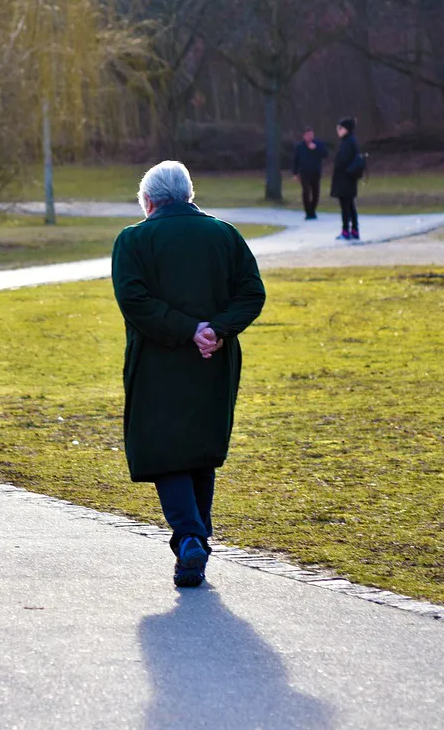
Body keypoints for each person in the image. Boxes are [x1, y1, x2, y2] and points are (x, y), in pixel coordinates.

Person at [111, 161, 267, 588]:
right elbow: (252, 293)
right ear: (189, 195)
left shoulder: (134, 240)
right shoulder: (224, 235)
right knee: (200, 447)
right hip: (213, 358)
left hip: (158, 360)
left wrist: (186, 329)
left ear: (148, 201)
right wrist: (214, 329)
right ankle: (196, 539)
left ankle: (190, 537)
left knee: (166, 450)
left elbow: (134, 300)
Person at [330, 116, 364, 240]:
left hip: (345, 179)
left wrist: (337, 163)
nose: (338, 130)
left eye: (341, 128)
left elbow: (341, 161)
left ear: (347, 129)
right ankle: (354, 230)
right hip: (349, 178)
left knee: (345, 206)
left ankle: (346, 230)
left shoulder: (347, 143)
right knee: (350, 205)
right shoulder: (351, 141)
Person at [291, 126, 328, 220]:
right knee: (306, 191)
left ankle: (313, 210)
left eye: (311, 135)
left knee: (316, 192)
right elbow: (296, 160)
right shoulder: (299, 147)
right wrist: (295, 173)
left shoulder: (318, 144)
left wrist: (316, 148)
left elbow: (325, 154)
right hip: (304, 172)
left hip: (315, 172)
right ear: (304, 136)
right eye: (308, 135)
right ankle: (308, 212)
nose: (310, 137)